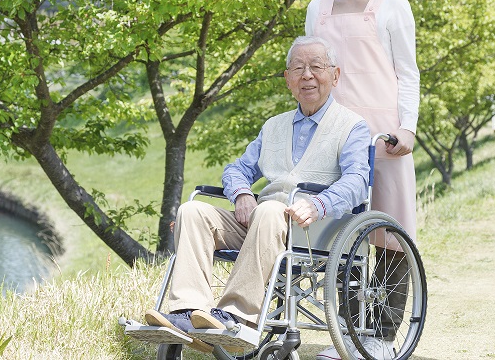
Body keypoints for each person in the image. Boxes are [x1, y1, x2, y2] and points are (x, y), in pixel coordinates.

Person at [143, 35, 371, 352]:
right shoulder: (273, 126)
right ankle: (185, 312)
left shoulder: (352, 126)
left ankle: (234, 316)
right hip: (261, 223)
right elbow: (237, 169)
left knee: (268, 210)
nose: (307, 75)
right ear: (288, 79)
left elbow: (358, 180)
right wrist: (241, 194)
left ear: (334, 75)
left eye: (316, 67)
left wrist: (319, 204)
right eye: (298, 68)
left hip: (313, 229)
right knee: (192, 211)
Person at [305, 0, 420, 360]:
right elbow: (312, 71)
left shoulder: (394, 4)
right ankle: (349, 339)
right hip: (334, 137)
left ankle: (384, 338)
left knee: (390, 237)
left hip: (384, 138)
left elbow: (407, 74)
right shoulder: (318, 8)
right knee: (342, 238)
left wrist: (407, 128)